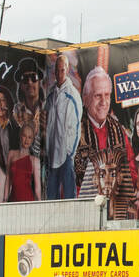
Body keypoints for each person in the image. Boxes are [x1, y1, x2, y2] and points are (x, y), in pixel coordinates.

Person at [75, 67, 137, 217]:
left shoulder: (119, 130)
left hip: (116, 210)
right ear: (85, 98)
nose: (104, 102)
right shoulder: (74, 130)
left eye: (107, 95)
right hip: (84, 210)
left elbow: (132, 170)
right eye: (98, 96)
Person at [44, 53, 82, 200]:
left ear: (67, 70)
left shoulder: (72, 94)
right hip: (52, 152)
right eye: (57, 70)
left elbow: (76, 126)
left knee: (69, 197)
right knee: (51, 196)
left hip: (65, 155)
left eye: (62, 70)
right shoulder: (51, 94)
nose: (59, 74)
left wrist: (70, 152)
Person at [13, 56, 46, 159]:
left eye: (33, 77)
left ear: (39, 82)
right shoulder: (16, 111)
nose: (30, 82)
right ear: (21, 86)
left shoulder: (48, 107)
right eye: (25, 79)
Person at [6, 122, 42, 202]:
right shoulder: (11, 154)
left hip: (27, 200)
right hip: (12, 199)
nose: (27, 140)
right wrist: (4, 200)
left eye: (30, 137)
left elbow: (37, 189)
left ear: (32, 140)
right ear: (20, 136)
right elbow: (8, 180)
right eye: (24, 136)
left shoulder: (35, 161)